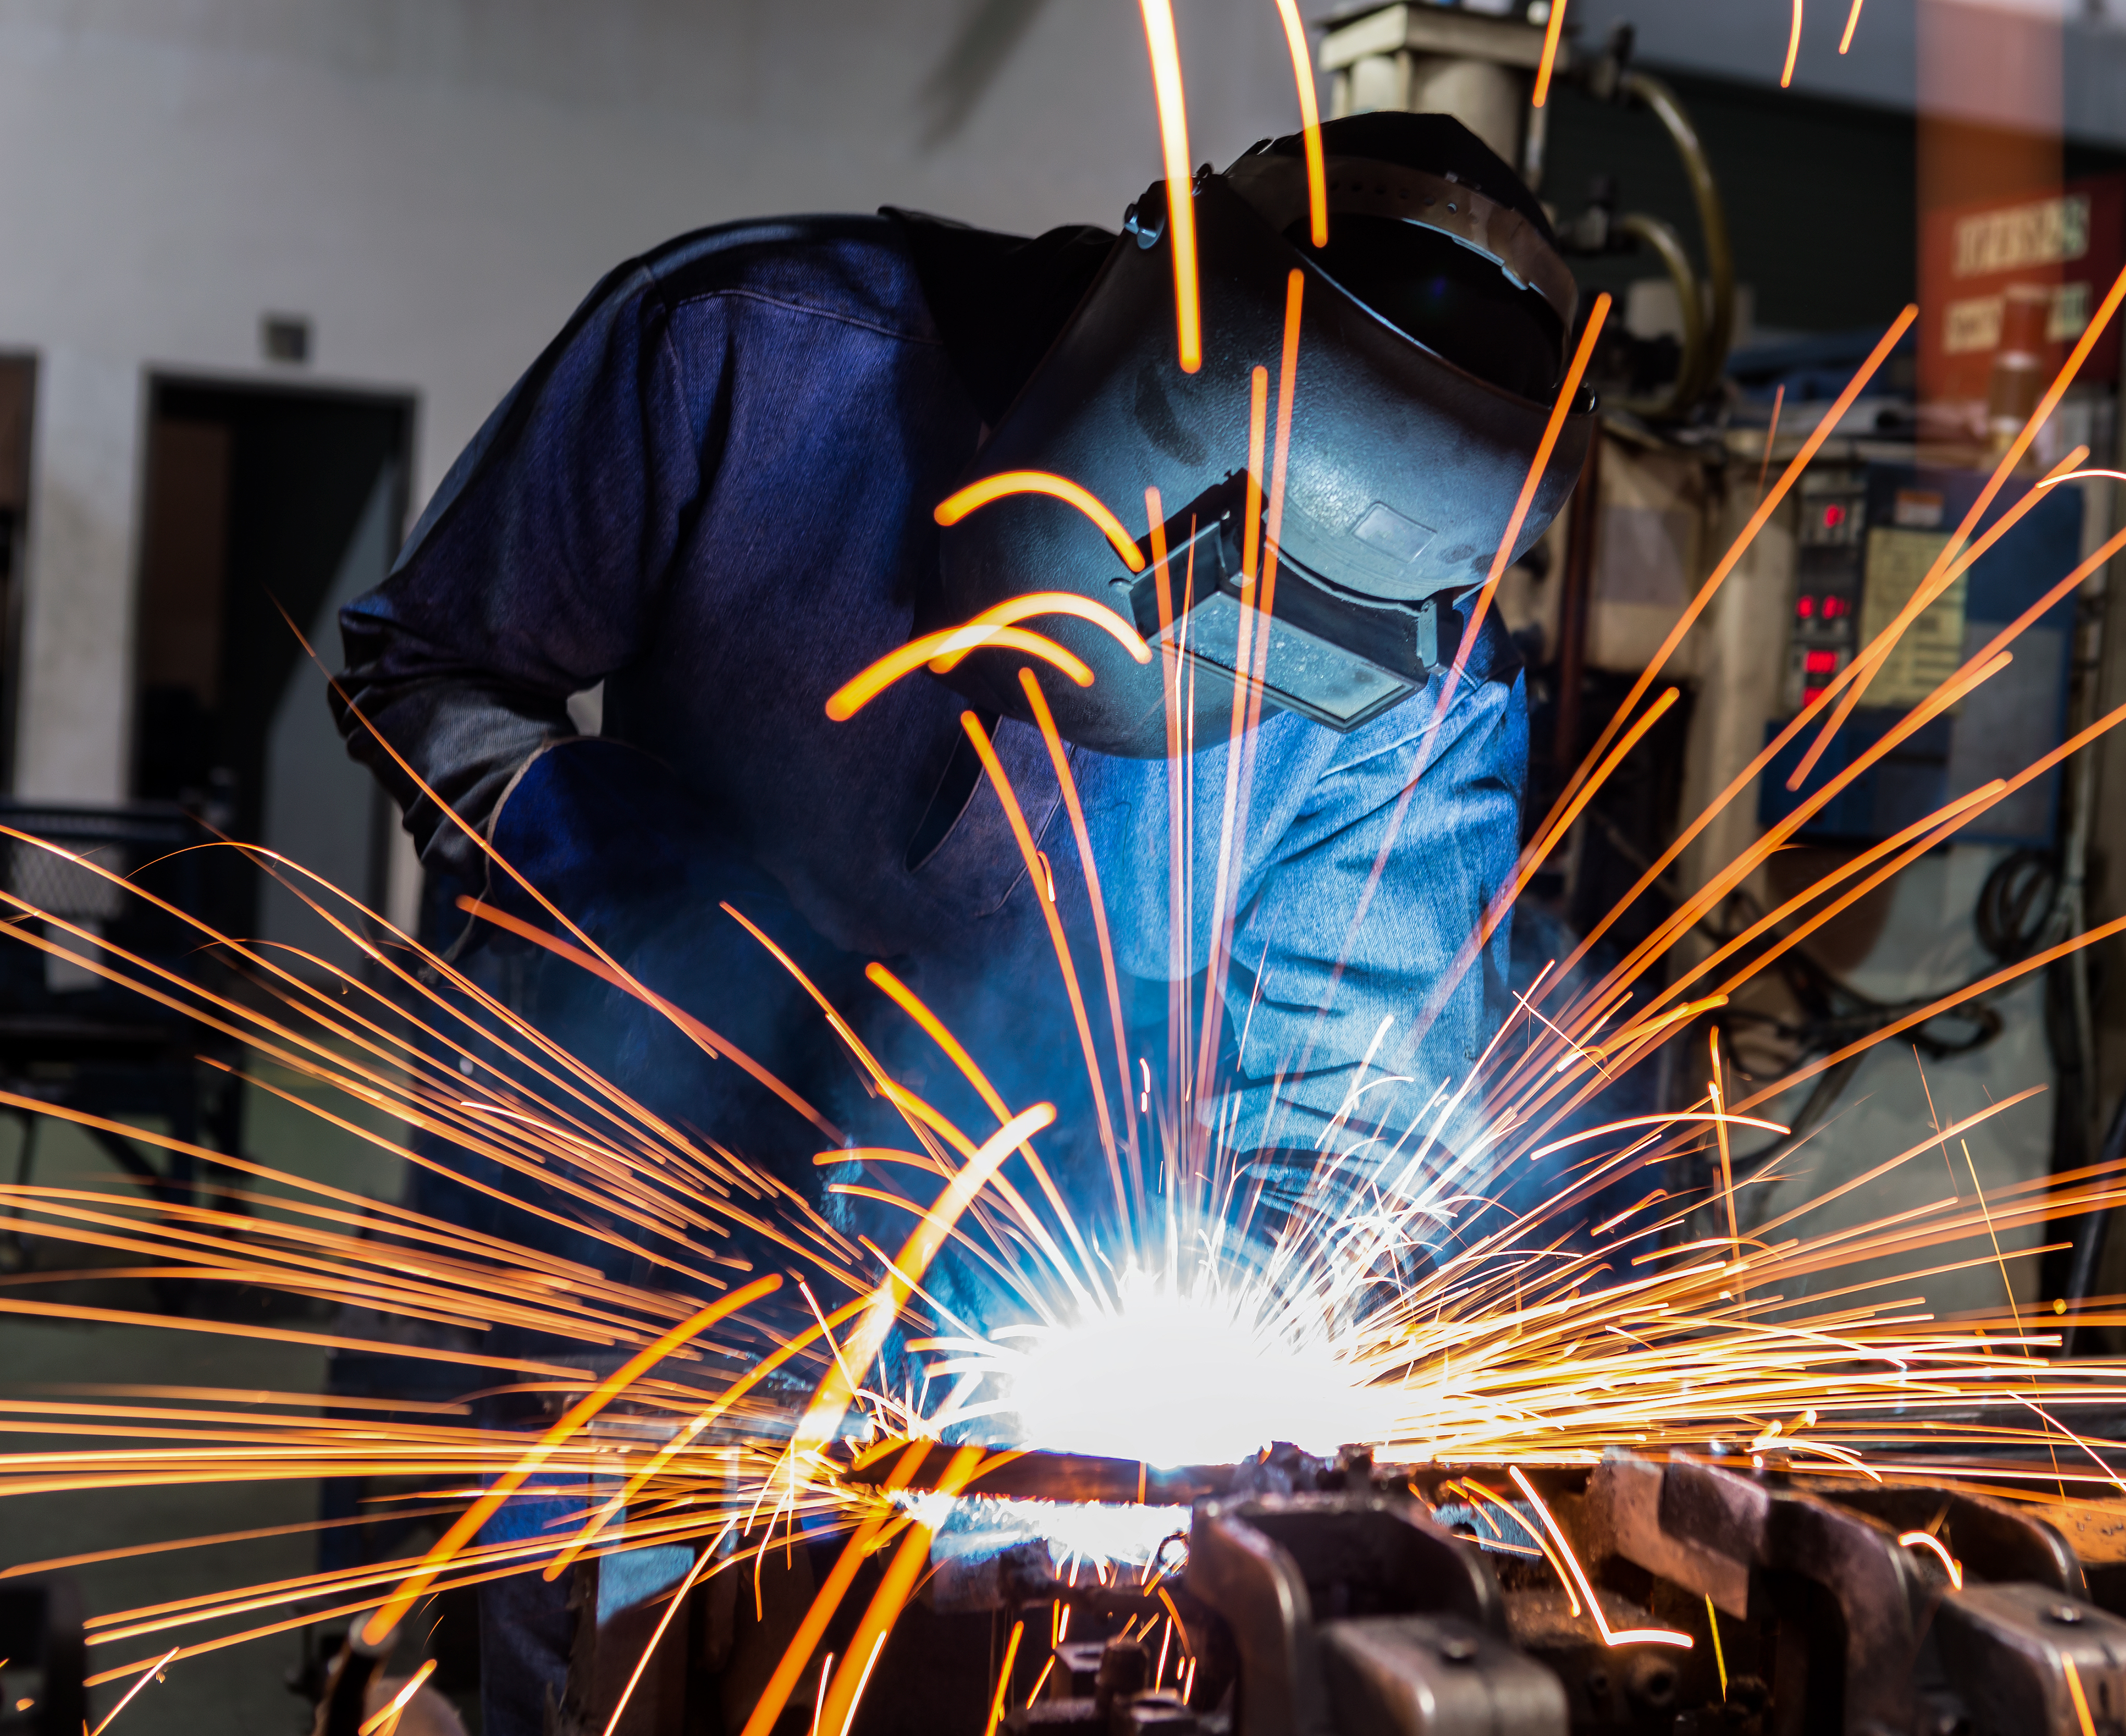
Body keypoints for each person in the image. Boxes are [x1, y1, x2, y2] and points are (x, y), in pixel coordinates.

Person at [332, 112, 1588, 1733]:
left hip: (1013, 1274)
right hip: (616, 1185)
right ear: (1163, 337)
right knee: (566, 1644)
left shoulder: (1426, 687)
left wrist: (1252, 1310)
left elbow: (1347, 1101)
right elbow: (425, 659)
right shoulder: (745, 350)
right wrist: (628, 904)